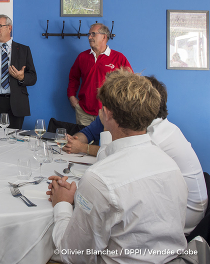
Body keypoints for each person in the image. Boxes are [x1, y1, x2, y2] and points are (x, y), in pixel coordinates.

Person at [48, 69, 187, 263]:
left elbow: (71, 255)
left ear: (106, 113)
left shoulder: (99, 179)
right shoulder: (170, 165)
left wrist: (62, 204)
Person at [67, 23, 132, 126]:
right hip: (84, 112)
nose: (89, 37)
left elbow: (129, 83)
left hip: (109, 114)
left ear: (104, 37)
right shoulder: (82, 57)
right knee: (83, 141)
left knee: (107, 142)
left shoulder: (118, 58)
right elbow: (73, 78)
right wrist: (72, 97)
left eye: (93, 34)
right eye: (88, 34)